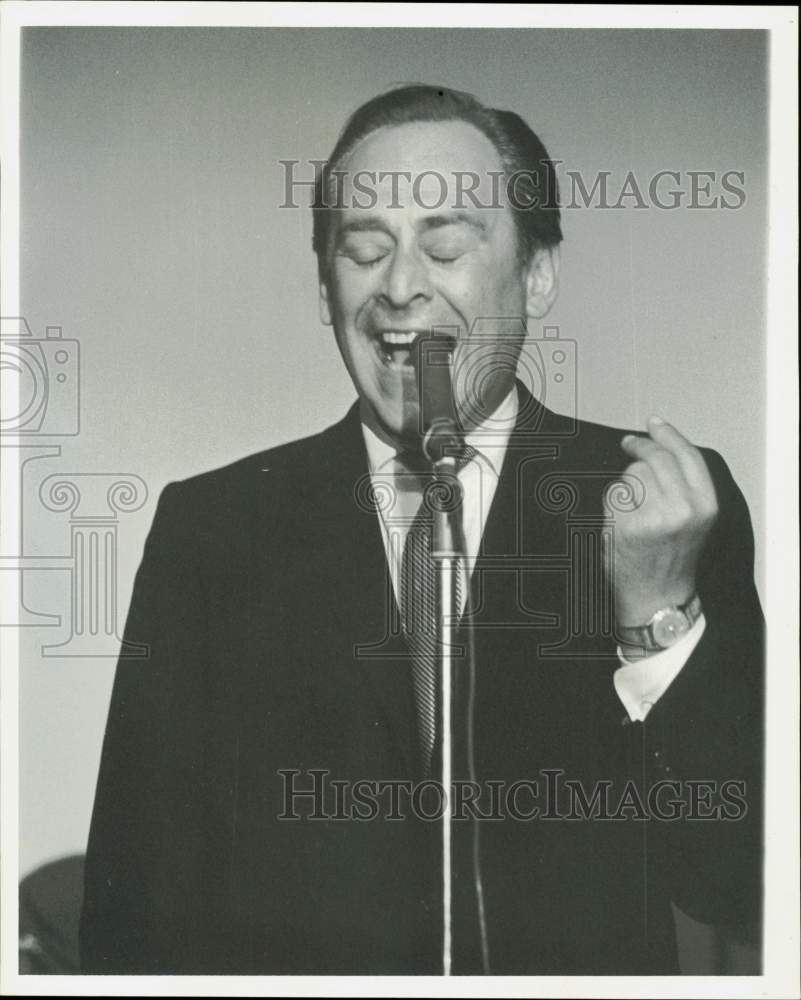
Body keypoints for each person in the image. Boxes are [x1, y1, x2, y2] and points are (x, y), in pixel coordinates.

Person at [79, 85, 764, 975]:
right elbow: (133, 906)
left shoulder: (656, 503)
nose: (399, 287)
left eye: (444, 246)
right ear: (325, 285)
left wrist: (655, 615)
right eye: (363, 251)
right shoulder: (213, 529)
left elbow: (734, 883)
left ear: (537, 273)